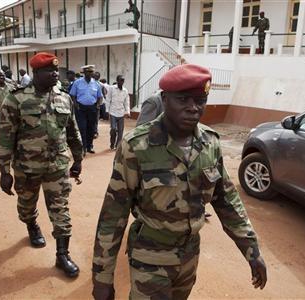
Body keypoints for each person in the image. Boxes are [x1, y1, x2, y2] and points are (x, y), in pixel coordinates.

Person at [92, 64, 267, 299]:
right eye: (183, 99)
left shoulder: (210, 144)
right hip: (150, 257)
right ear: (165, 99)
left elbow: (227, 201)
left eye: (200, 100)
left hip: (189, 255)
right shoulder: (137, 146)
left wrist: (252, 251)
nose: (193, 108)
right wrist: (102, 277)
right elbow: (113, 214)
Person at [0, 52, 83, 278]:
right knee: (26, 207)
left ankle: (62, 255)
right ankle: (31, 224)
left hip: (57, 166)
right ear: (36, 73)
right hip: (27, 169)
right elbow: (5, 137)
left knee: (61, 210)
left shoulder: (64, 98)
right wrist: (4, 171)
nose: (55, 74)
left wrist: (78, 159)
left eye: (57, 70)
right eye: (49, 71)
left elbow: (72, 131)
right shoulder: (16, 99)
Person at [69, 65, 103, 154]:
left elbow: (100, 96)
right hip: (81, 108)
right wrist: (76, 105)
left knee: (91, 128)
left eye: (91, 72)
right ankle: (83, 147)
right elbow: (72, 95)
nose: (90, 74)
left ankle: (89, 146)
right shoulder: (77, 83)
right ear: (84, 73)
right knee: (82, 128)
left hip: (92, 108)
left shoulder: (96, 84)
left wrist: (98, 105)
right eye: (88, 72)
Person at [107, 75, 130, 150]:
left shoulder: (125, 90)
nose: (122, 82)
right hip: (113, 112)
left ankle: (118, 146)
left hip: (121, 113)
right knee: (113, 129)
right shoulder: (112, 88)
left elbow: (127, 102)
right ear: (117, 81)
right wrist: (107, 111)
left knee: (120, 131)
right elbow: (108, 99)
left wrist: (128, 111)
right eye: (120, 80)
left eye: (123, 80)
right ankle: (112, 143)